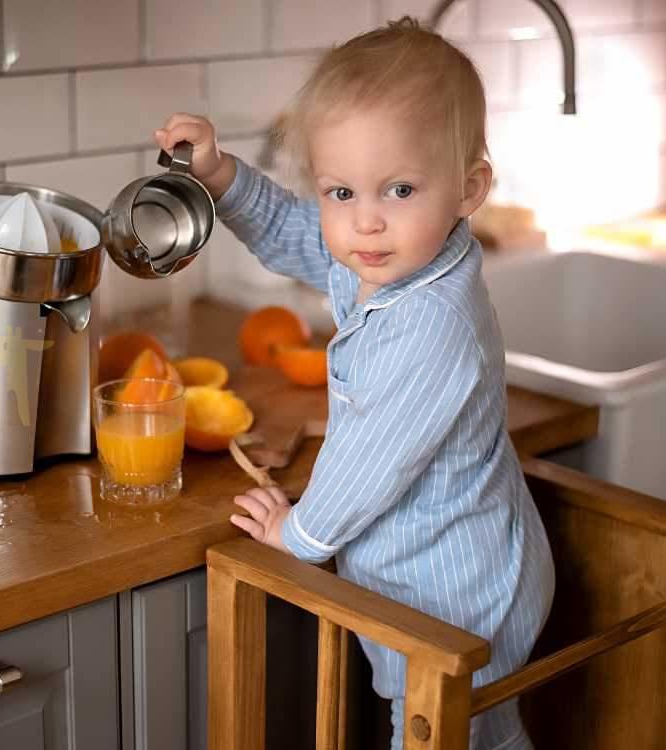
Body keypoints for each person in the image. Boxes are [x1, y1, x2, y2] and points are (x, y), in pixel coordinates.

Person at [154, 17, 554, 750]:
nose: (364, 222)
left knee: (435, 734)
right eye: (340, 191)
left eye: (399, 188)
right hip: (451, 570)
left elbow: (370, 458)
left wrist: (295, 534)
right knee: (485, 736)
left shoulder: (429, 325)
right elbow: (299, 233)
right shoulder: (402, 257)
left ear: (471, 189)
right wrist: (219, 176)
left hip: (454, 599)